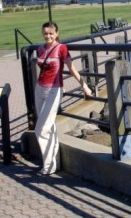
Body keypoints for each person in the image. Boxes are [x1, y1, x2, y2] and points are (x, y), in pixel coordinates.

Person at [35, 21, 92, 175]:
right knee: (49, 126)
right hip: (39, 89)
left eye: (51, 33)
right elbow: (41, 68)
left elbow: (71, 68)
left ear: (57, 33)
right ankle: (54, 161)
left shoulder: (61, 48)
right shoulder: (40, 49)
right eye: (45, 33)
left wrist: (84, 85)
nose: (48, 36)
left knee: (40, 130)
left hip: (53, 91)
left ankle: (48, 166)